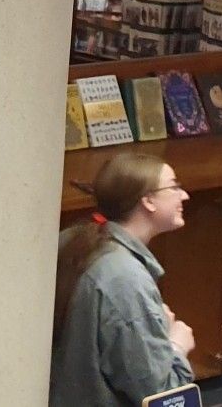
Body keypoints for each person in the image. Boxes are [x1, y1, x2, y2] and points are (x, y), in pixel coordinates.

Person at [49, 152, 196, 406]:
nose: (184, 195)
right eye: (174, 187)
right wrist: (176, 345)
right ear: (148, 200)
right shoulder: (126, 280)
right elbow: (163, 395)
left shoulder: (72, 240)